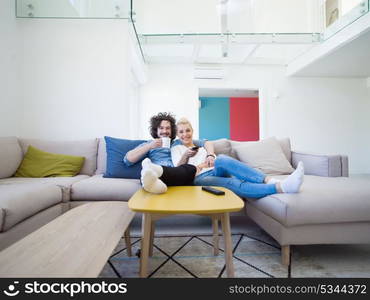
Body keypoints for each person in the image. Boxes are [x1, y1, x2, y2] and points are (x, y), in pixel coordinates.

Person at [140, 118, 304, 198]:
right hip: (199, 178)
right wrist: (186, 156)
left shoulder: (200, 143)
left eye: (187, 130)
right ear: (178, 134)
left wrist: (211, 156)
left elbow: (208, 144)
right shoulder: (176, 147)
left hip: (215, 170)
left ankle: (269, 180)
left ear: (192, 131)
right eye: (181, 132)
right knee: (233, 183)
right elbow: (177, 169)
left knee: (223, 159)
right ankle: (281, 188)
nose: (185, 134)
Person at [124, 112, 214, 192]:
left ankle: (157, 182)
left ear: (172, 131)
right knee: (147, 174)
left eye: (168, 128)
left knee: (190, 168)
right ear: (156, 130)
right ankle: (157, 183)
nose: (165, 131)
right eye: (161, 128)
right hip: (157, 171)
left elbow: (205, 142)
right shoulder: (149, 144)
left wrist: (210, 155)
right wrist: (150, 146)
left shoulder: (179, 142)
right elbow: (128, 160)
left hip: (177, 173)